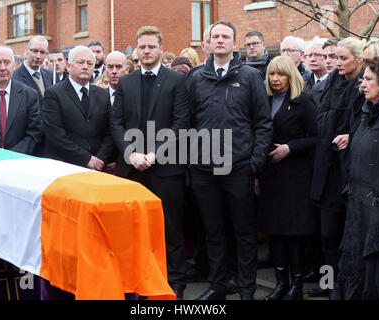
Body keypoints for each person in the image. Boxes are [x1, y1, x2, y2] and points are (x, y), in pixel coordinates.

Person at [187, 20, 272, 300]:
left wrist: (255, 161)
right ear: (208, 43)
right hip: (204, 169)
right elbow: (188, 123)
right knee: (213, 232)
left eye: (226, 36)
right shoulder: (196, 78)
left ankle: (247, 289)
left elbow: (262, 122)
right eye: (216, 36)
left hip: (239, 167)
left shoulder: (249, 77)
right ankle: (218, 286)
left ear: (234, 44)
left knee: (244, 232)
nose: (220, 40)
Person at [111, 26, 189, 300]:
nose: (146, 51)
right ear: (136, 49)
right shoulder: (125, 82)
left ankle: (174, 281)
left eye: (151, 47)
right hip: (132, 169)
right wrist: (131, 154)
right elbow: (117, 122)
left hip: (166, 167)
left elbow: (181, 124)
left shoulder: (176, 81)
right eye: (141, 47)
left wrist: (154, 154)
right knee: (134, 229)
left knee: (171, 228)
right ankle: (137, 280)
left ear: (160, 48)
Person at [338, 55, 379, 300]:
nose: (362, 84)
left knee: (378, 282)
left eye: (368, 79)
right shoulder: (368, 110)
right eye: (362, 79)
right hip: (359, 208)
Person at [257, 55, 318, 300]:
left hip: (295, 178)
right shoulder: (264, 100)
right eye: (272, 74)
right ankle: (281, 284)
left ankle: (296, 286)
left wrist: (290, 148)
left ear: (290, 76)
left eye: (280, 74)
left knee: (293, 233)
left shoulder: (304, 101)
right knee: (275, 232)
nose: (275, 79)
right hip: (270, 176)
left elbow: (317, 137)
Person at [310, 37, 365, 299]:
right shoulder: (331, 83)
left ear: (358, 59)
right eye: (333, 57)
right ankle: (327, 284)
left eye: (342, 58)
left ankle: (344, 287)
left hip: (348, 172)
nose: (336, 63)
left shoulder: (362, 87)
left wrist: (350, 136)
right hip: (326, 168)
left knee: (345, 236)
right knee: (326, 234)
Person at [42, 45, 114, 172]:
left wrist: (99, 160)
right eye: (80, 62)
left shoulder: (103, 94)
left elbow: (110, 131)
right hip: (66, 167)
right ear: (68, 65)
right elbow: (55, 134)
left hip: (98, 167)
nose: (85, 66)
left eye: (90, 63)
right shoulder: (54, 94)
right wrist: (86, 159)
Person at [12, 35, 56, 103]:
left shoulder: (52, 76)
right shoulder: (15, 78)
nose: (38, 56)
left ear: (46, 54)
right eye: (35, 51)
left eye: (42, 52)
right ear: (26, 50)